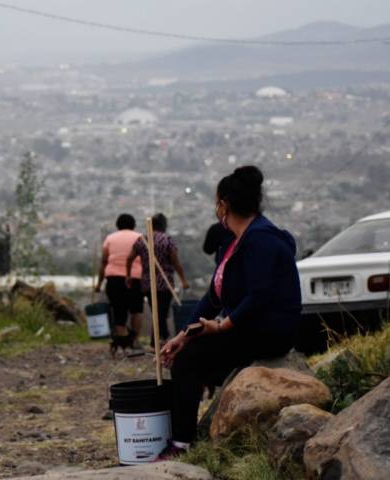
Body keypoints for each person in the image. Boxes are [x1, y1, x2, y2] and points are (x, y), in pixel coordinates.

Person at [157, 166, 302, 458]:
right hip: (247, 327)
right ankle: (191, 433)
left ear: (223, 205)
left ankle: (182, 443)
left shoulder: (261, 239)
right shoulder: (232, 241)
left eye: (216, 202)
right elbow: (213, 296)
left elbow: (259, 297)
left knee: (188, 362)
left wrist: (222, 327)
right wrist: (184, 335)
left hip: (269, 331)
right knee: (186, 352)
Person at [127, 213, 189, 347]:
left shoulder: (143, 239)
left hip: (147, 282)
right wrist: (183, 279)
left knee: (157, 311)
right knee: (161, 312)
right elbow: (175, 261)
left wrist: (128, 275)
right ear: (163, 225)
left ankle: (158, 339)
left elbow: (129, 258)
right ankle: (159, 340)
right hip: (164, 282)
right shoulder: (166, 240)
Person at [95, 213, 144, 349]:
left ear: (117, 225)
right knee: (137, 309)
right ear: (133, 225)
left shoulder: (110, 238)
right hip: (135, 278)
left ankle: (122, 342)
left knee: (118, 310)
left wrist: (99, 284)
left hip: (114, 280)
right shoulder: (139, 237)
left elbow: (104, 262)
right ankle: (135, 340)